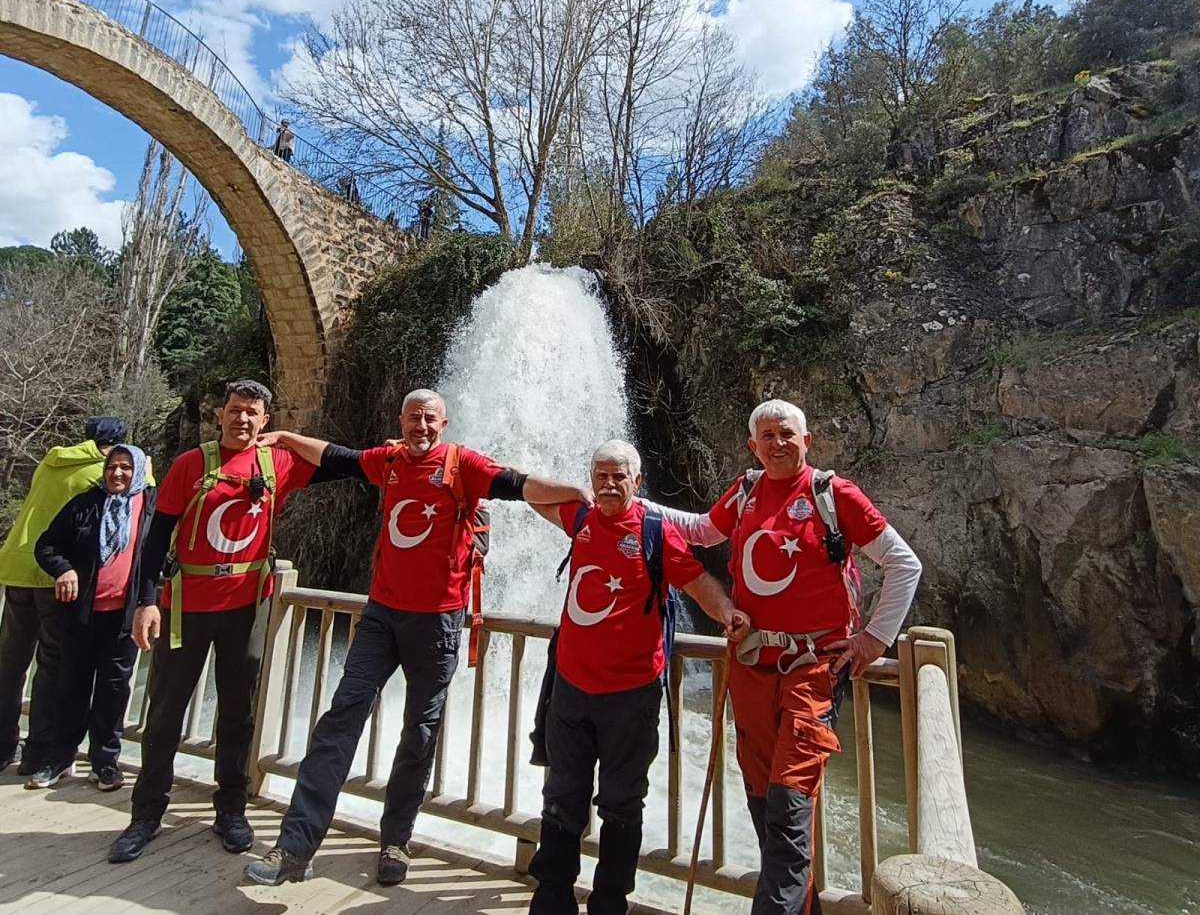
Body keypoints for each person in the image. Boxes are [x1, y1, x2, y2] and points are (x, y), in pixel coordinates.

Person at [243, 388, 591, 888]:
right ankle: (293, 848)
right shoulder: (389, 461)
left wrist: (577, 492)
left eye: (429, 419)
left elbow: (518, 485)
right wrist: (287, 436)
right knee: (340, 719)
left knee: (419, 734)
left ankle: (395, 839)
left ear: (443, 423)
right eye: (412, 419)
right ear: (401, 422)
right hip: (382, 616)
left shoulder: (462, 465)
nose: (420, 427)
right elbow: (337, 458)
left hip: (438, 622)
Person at [648, 400, 922, 915]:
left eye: (787, 434)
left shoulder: (833, 495)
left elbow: (904, 564)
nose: (777, 443)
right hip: (751, 664)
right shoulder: (747, 491)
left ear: (806, 440)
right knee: (761, 793)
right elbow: (704, 531)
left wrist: (873, 640)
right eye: (767, 436)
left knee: (789, 803)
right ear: (753, 446)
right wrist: (639, 506)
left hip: (813, 669)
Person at [526, 439, 750, 915]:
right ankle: (552, 899)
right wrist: (572, 489)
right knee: (561, 795)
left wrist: (727, 612)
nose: (609, 484)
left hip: (630, 695)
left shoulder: (654, 532)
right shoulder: (581, 518)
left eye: (618, 476)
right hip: (570, 687)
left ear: (637, 481)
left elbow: (696, 581)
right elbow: (531, 495)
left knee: (621, 803)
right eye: (600, 475)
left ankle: (609, 904)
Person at [108, 380, 322, 864]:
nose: (242, 419)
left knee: (237, 713)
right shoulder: (191, 465)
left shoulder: (276, 463)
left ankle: (231, 810)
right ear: (220, 415)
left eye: (252, 413)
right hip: (186, 606)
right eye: (235, 411)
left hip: (245, 607)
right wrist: (145, 602)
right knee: (164, 711)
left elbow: (345, 462)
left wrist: (287, 440)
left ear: (265, 420)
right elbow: (154, 537)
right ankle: (145, 815)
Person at [0, 416, 130, 777]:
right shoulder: (99, 470)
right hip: (54, 576)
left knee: (10, 664)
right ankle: (37, 753)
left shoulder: (52, 459)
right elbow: (137, 491)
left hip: (15, 565)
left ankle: (2, 747)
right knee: (52, 665)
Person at [27, 444, 156, 791]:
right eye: (112, 466)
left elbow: (161, 557)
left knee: (114, 692)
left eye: (126, 467)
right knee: (71, 687)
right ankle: (59, 758)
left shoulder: (151, 507)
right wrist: (64, 570)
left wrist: (151, 600)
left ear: (139, 470)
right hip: (80, 615)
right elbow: (47, 546)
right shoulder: (85, 504)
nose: (117, 473)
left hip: (124, 619)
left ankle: (105, 763)